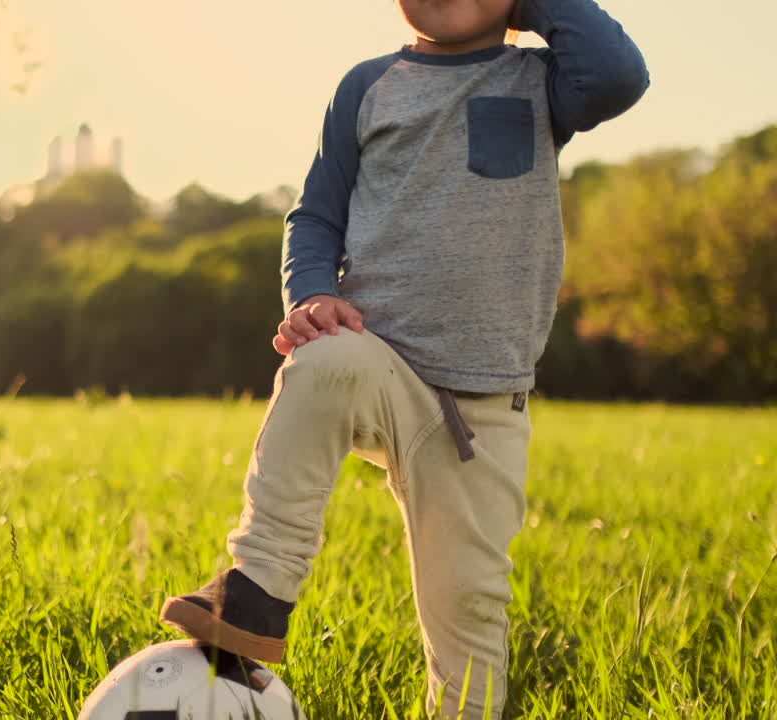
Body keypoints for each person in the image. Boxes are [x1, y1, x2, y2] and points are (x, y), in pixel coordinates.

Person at [159, 0, 648, 717]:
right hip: (378, 362)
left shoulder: (540, 84)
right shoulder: (367, 87)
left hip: (483, 411)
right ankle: (258, 591)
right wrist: (314, 294)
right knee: (323, 359)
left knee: (471, 624)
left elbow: (618, 74)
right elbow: (317, 215)